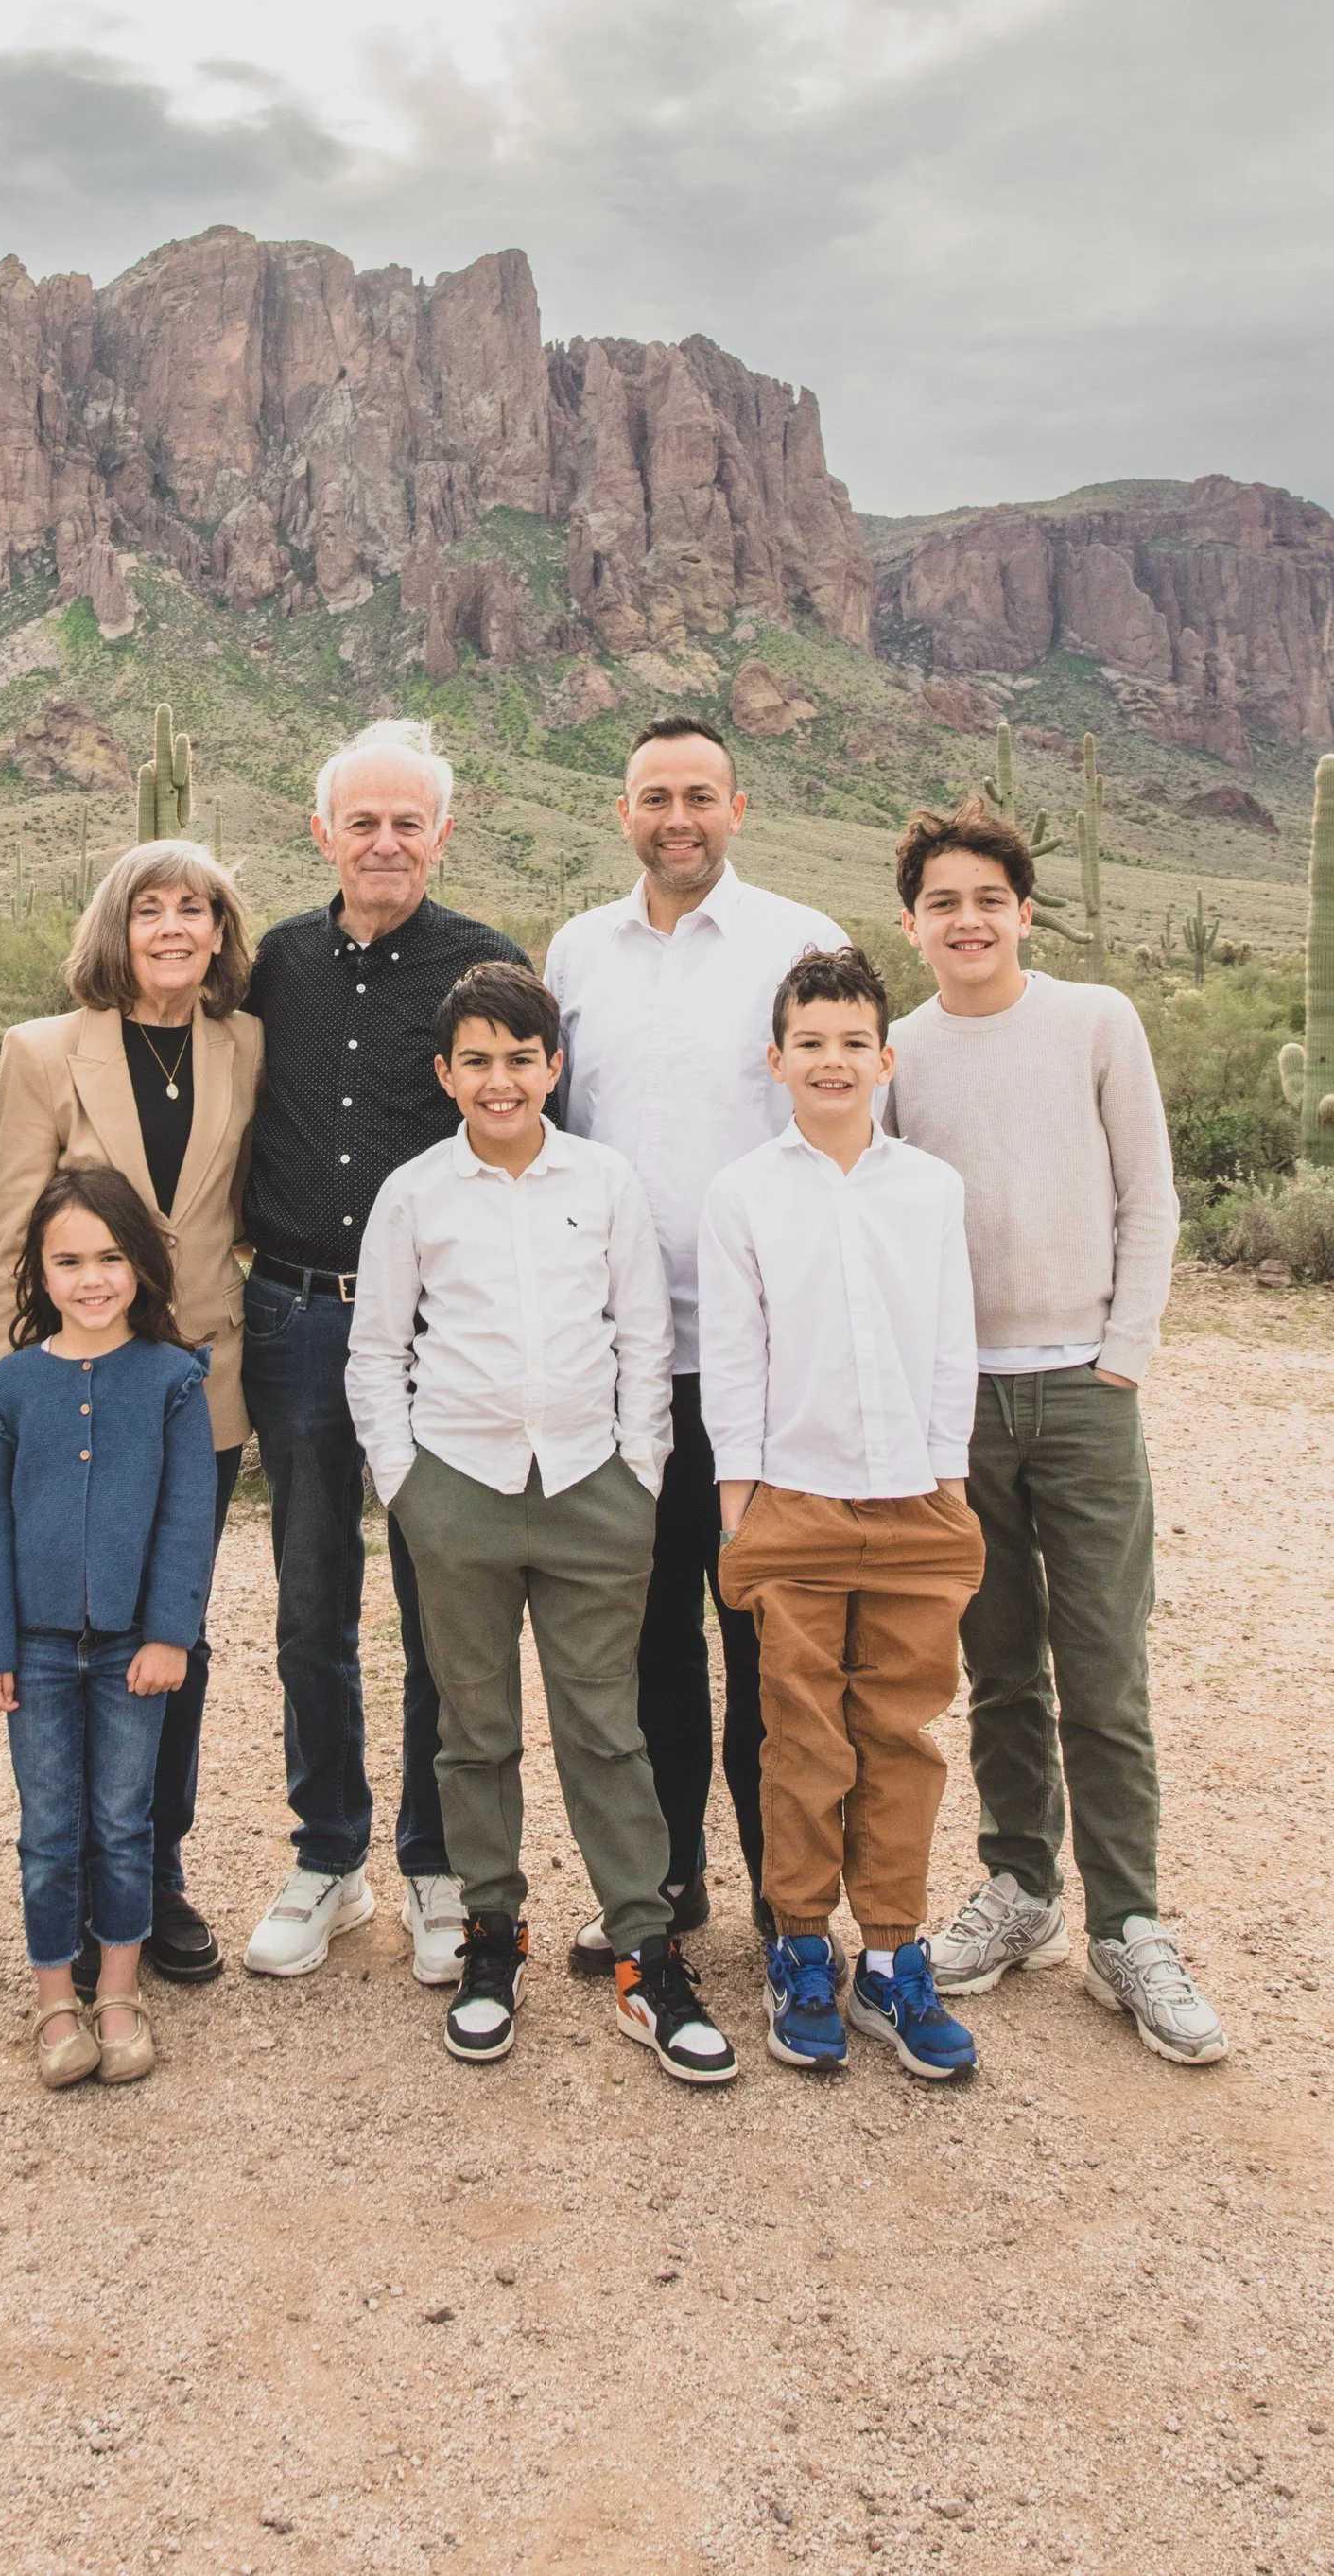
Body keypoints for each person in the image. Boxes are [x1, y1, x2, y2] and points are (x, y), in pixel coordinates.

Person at [346, 962, 738, 2082]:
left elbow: (642, 1339)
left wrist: (640, 1472)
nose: (501, 1079)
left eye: (521, 1058)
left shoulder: (605, 1182)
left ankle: (644, 1953)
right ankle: (491, 1937)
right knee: (473, 1732)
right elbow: (376, 1352)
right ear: (445, 1074)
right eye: (477, 1060)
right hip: (458, 1492)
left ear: (553, 1067)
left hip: (591, 1493)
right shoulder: (415, 1193)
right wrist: (405, 1484)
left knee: (606, 1731)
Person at [885, 798, 1226, 2065]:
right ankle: (1022, 1887)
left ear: (1025, 911)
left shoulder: (1095, 1022)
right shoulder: (901, 1051)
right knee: (1001, 1661)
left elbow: (1152, 1197)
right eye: (943, 902)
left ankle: (1129, 1924)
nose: (967, 919)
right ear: (911, 922)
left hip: (1084, 1389)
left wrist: (1124, 1357)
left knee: (1104, 1665)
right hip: (963, 1399)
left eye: (989, 898)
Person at [545, 715, 848, 1973]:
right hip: (628, 1357)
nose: (678, 816)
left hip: (763, 1353)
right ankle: (669, 1876)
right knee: (650, 1623)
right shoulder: (576, 950)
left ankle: (792, 1891)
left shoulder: (801, 941)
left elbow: (849, 1116)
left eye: (700, 795)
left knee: (769, 1626)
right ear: (624, 811)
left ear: (740, 806)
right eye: (655, 796)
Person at [236, 719, 528, 1989]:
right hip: (296, 1316)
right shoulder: (278, 964)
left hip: (431, 1333)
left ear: (442, 833)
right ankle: (328, 1857)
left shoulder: (484, 967)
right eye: (363, 819)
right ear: (324, 833)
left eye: (409, 819)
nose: (386, 840)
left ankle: (435, 1863)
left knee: (437, 1605)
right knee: (310, 1602)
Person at [702, 945, 985, 2082]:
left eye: (851, 1043)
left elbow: (952, 1342)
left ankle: (892, 1954)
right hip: (794, 1503)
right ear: (776, 1060)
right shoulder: (743, 1193)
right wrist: (740, 1513)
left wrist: (949, 1485)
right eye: (809, 1043)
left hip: (916, 1503)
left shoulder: (929, 1188)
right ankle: (802, 1945)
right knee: (803, 1737)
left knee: (902, 1737)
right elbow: (732, 1357)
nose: (831, 1061)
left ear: (885, 1057)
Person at [0, 840, 262, 1986]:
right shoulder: (43, 1052)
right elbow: (12, 1227)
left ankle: (158, 1870)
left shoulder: (242, 1043)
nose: (171, 929)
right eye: (148, 910)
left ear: (217, 931)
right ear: (117, 927)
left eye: (192, 909)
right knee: (71, 1624)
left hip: (202, 1381)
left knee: (172, 1630)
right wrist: (7, 1386)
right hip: (74, 1385)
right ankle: (81, 1874)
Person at [0, 1168, 219, 2090]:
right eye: (67, 1261)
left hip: (129, 1652)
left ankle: (116, 1991)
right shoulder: (11, 1387)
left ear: (142, 1266)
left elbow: (189, 1520)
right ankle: (52, 2003)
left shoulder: (171, 1382)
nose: (92, 1278)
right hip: (33, 1647)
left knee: (120, 1819)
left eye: (111, 1257)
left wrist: (167, 1636)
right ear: (38, 1269)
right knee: (50, 1823)